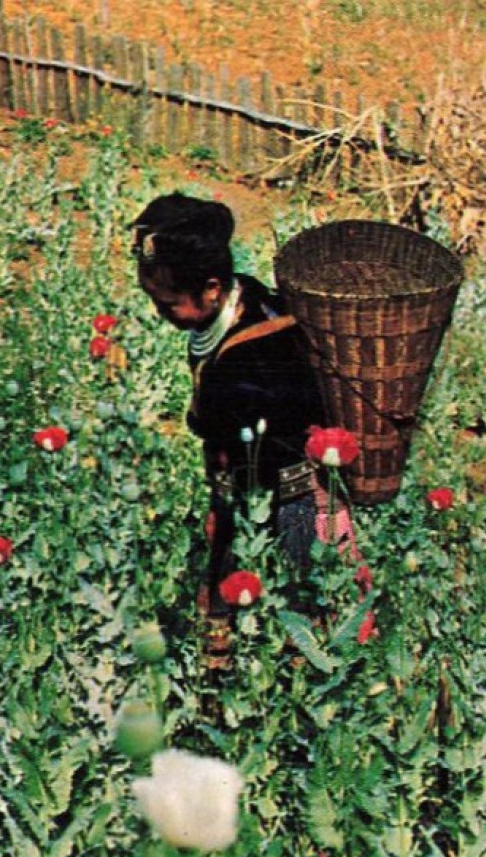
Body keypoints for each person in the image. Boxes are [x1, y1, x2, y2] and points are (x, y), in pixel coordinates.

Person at [131, 193, 346, 667]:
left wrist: (204, 420)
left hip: (291, 497)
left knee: (302, 608)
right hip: (240, 488)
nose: (160, 313)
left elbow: (222, 420)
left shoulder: (258, 350)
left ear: (211, 289)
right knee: (224, 595)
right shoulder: (240, 296)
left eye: (168, 304)